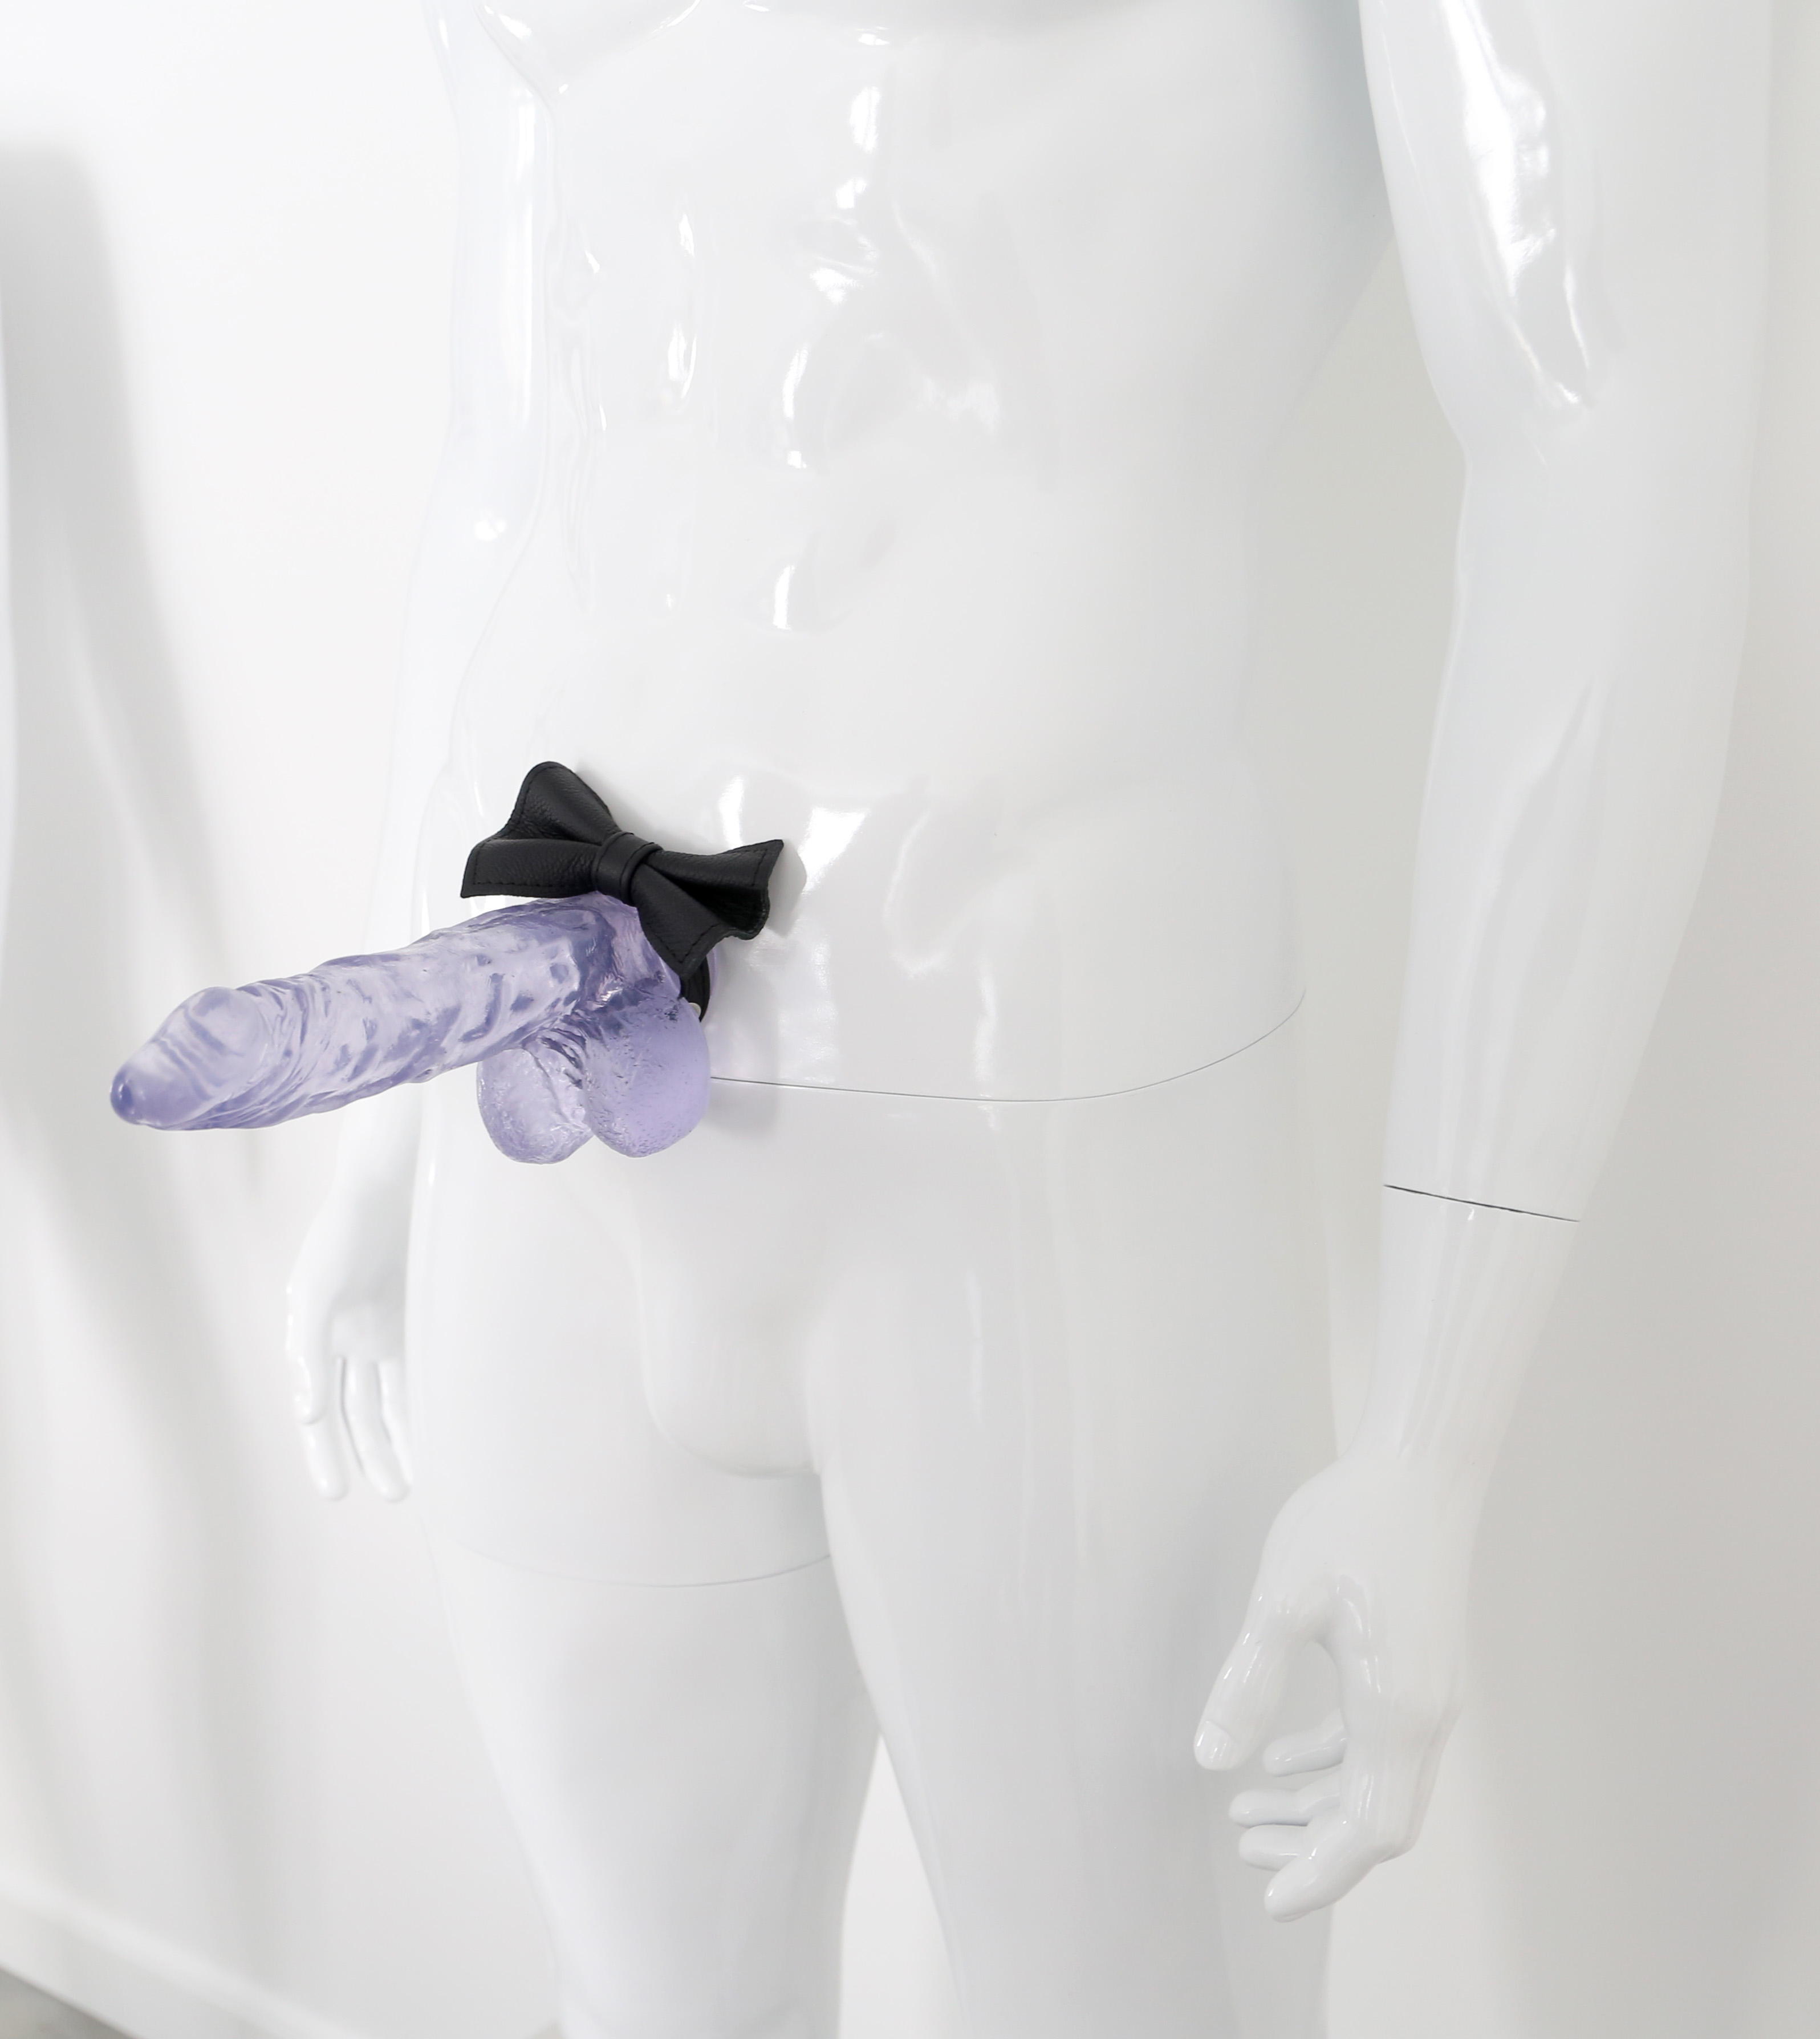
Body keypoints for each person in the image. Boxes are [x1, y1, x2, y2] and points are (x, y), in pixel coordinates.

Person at [284, 2, 1770, 2033]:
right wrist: (380, 1101)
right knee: (641, 2000)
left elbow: (1605, 453)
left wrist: (1439, 1431)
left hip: (1030, 1077)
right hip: (537, 1061)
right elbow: (508, 451)